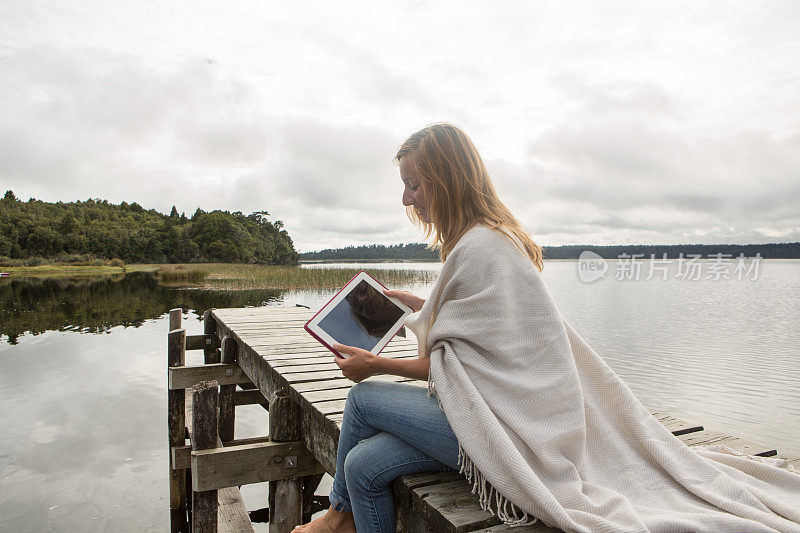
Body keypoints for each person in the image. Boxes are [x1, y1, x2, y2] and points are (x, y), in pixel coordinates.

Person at [293, 124, 800, 533]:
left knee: (362, 401)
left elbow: (452, 364)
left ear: (446, 181)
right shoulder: (489, 241)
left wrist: (373, 364)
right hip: (493, 417)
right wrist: (419, 305)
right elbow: (483, 339)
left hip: (499, 430)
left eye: (414, 184)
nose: (407, 200)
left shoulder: (479, 248)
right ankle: (343, 513)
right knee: (361, 466)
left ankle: (337, 517)